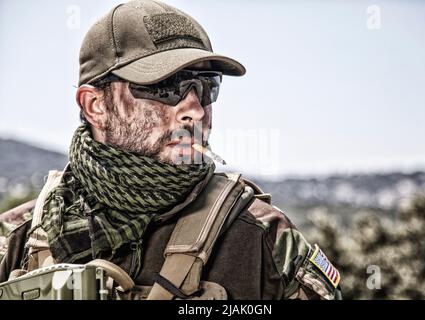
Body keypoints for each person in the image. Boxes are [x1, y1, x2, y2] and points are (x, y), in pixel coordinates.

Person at [0, 0, 342, 300]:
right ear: (95, 106)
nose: (194, 107)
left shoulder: (260, 238)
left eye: (206, 86)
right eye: (165, 87)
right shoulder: (17, 238)